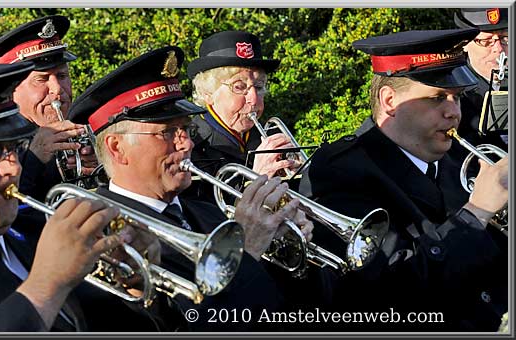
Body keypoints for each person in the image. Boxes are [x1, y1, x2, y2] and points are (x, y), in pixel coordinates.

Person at [69, 46, 316, 331]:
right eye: (167, 133)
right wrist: (245, 252)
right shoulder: (102, 238)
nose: (186, 144)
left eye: (185, 129)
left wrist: (292, 253)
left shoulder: (210, 215)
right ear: (117, 148)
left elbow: (289, 315)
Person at [0, 63, 162, 332]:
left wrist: (134, 286)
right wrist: (46, 285)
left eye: (13, 148)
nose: (13, 167)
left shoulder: (35, 234)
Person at [299, 28, 508, 331]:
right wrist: (476, 214)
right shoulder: (339, 171)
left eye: (457, 98)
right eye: (438, 97)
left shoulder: (451, 159)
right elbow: (392, 291)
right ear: (390, 102)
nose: (454, 113)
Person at [0, 15, 100, 201]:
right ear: (11, 90)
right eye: (42, 79)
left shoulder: (87, 124)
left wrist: (99, 169)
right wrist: (34, 159)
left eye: (62, 76)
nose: (58, 90)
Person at [184, 30, 302, 202]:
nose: (254, 99)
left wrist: (298, 179)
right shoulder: (189, 147)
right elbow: (205, 219)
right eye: (239, 87)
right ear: (207, 93)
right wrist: (256, 179)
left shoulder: (266, 138)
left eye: (259, 87)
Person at [449, 8, 509, 161]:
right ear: (464, 45)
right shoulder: (453, 94)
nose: (499, 49)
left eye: (506, 38)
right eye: (486, 42)